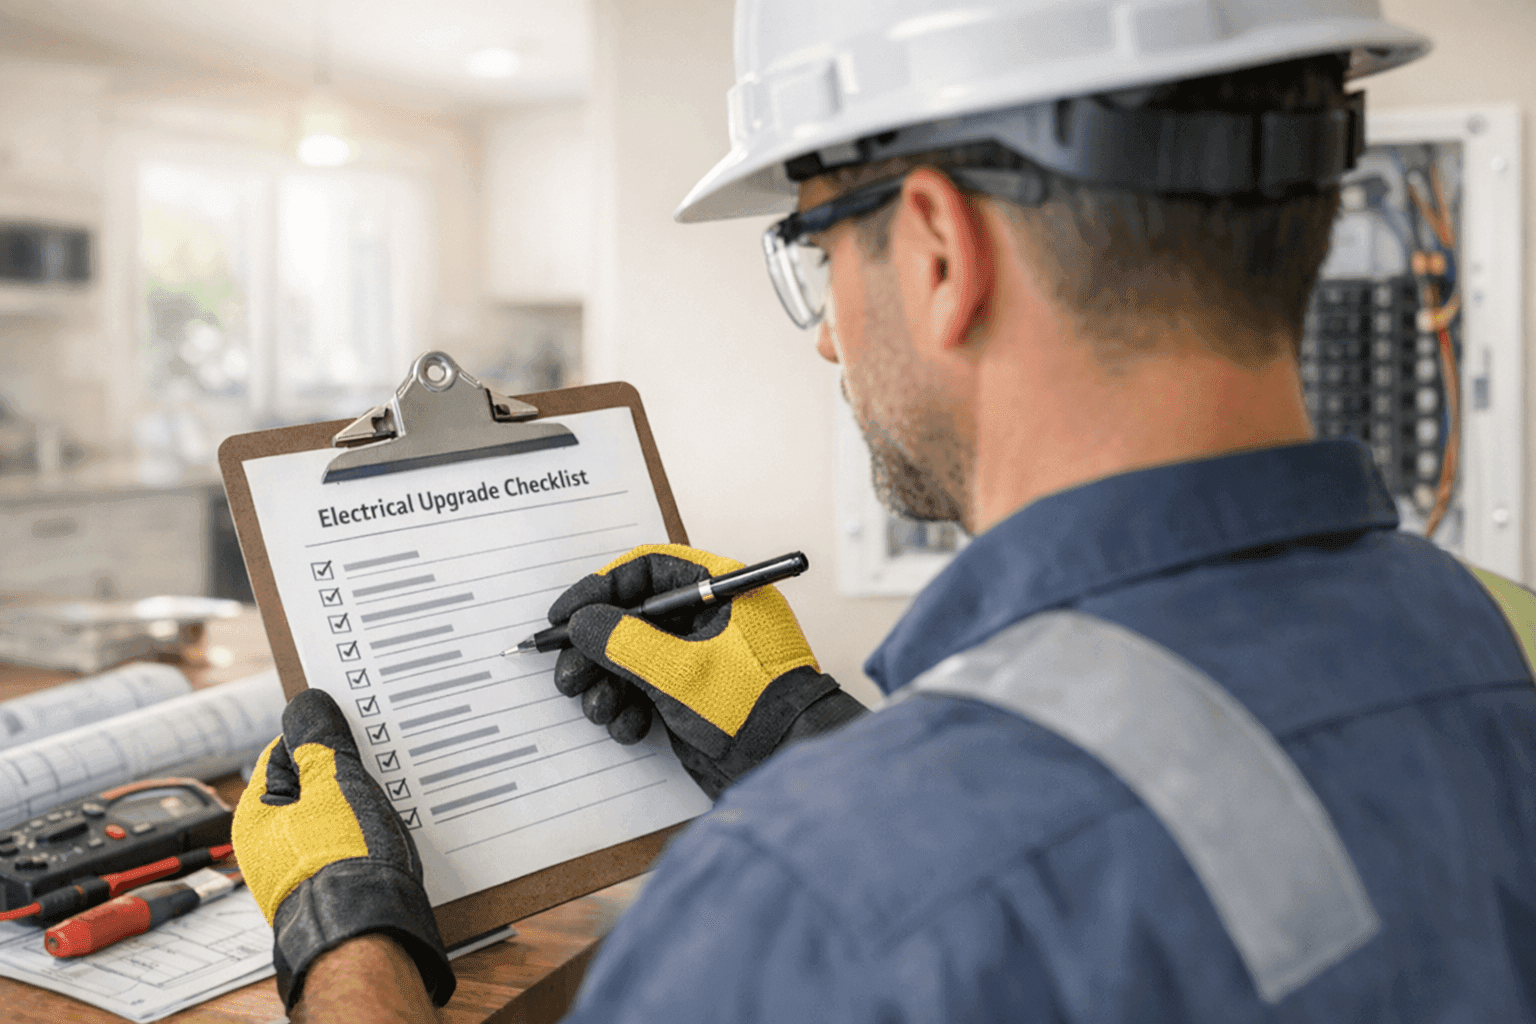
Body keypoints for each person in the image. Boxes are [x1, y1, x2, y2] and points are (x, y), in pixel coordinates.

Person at [230, 0, 1536, 1020]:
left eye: (815, 253)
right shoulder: (1492, 634)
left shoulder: (813, 909)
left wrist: (351, 951)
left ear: (936, 251)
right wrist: (808, 740)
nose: (825, 341)